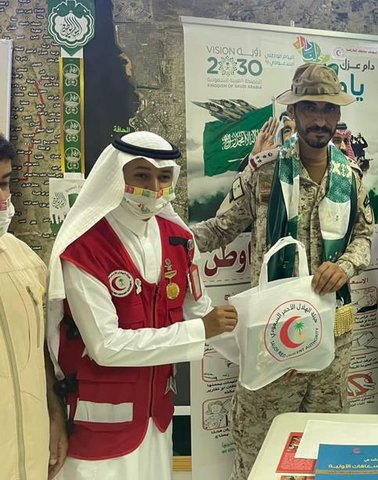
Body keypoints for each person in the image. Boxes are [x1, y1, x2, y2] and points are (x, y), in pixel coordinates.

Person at [190, 63, 374, 480]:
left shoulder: (349, 176)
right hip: (272, 338)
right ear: (293, 112)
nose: (320, 119)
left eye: (328, 109)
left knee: (323, 446)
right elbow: (220, 229)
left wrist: (345, 266)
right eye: (310, 108)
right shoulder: (264, 170)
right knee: (260, 447)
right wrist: (164, 238)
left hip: (332, 338)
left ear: (337, 114)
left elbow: (364, 236)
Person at [46, 132, 238, 480]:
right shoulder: (84, 247)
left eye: (163, 177)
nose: (154, 187)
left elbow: (202, 312)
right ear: (116, 175)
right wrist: (199, 330)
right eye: (141, 175)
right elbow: (106, 346)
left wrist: (265, 353)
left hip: (157, 422)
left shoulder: (178, 240)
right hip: (98, 430)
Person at [0, 134, 68, 479]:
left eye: (4, 184)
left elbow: (40, 354)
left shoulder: (25, 261)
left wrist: (55, 416)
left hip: (29, 459)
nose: (2, 199)